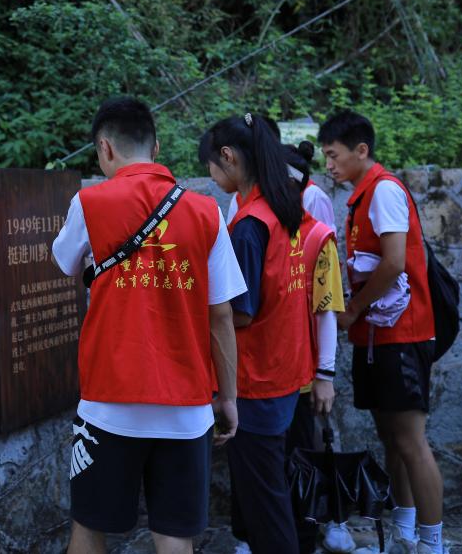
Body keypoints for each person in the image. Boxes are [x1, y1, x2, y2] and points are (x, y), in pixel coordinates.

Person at [52, 96, 246, 554]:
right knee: (175, 535)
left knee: (89, 527)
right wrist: (229, 397)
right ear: (156, 147)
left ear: (104, 147)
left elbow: (65, 262)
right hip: (186, 408)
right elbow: (221, 316)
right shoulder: (207, 212)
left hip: (108, 403)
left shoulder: (88, 203)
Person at [318, 110, 445, 554]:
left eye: (334, 155)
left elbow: (393, 262)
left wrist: (353, 308)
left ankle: (432, 543)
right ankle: (403, 537)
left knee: (411, 441)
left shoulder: (385, 190)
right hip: (378, 338)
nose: (329, 165)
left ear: (361, 150)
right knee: (392, 439)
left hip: (402, 336)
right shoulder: (362, 195)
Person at [198, 113, 316, 554]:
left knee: (265, 506)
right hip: (284, 374)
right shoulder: (282, 209)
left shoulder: (250, 226)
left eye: (211, 165)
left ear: (228, 157)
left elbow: (240, 313)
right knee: (273, 492)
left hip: (255, 380)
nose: (211, 176)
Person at [281, 142, 354, 554]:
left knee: (312, 449)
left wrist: (325, 371)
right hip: (278, 367)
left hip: (306, 365)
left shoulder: (314, 209)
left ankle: (327, 524)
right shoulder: (252, 215)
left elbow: (325, 302)